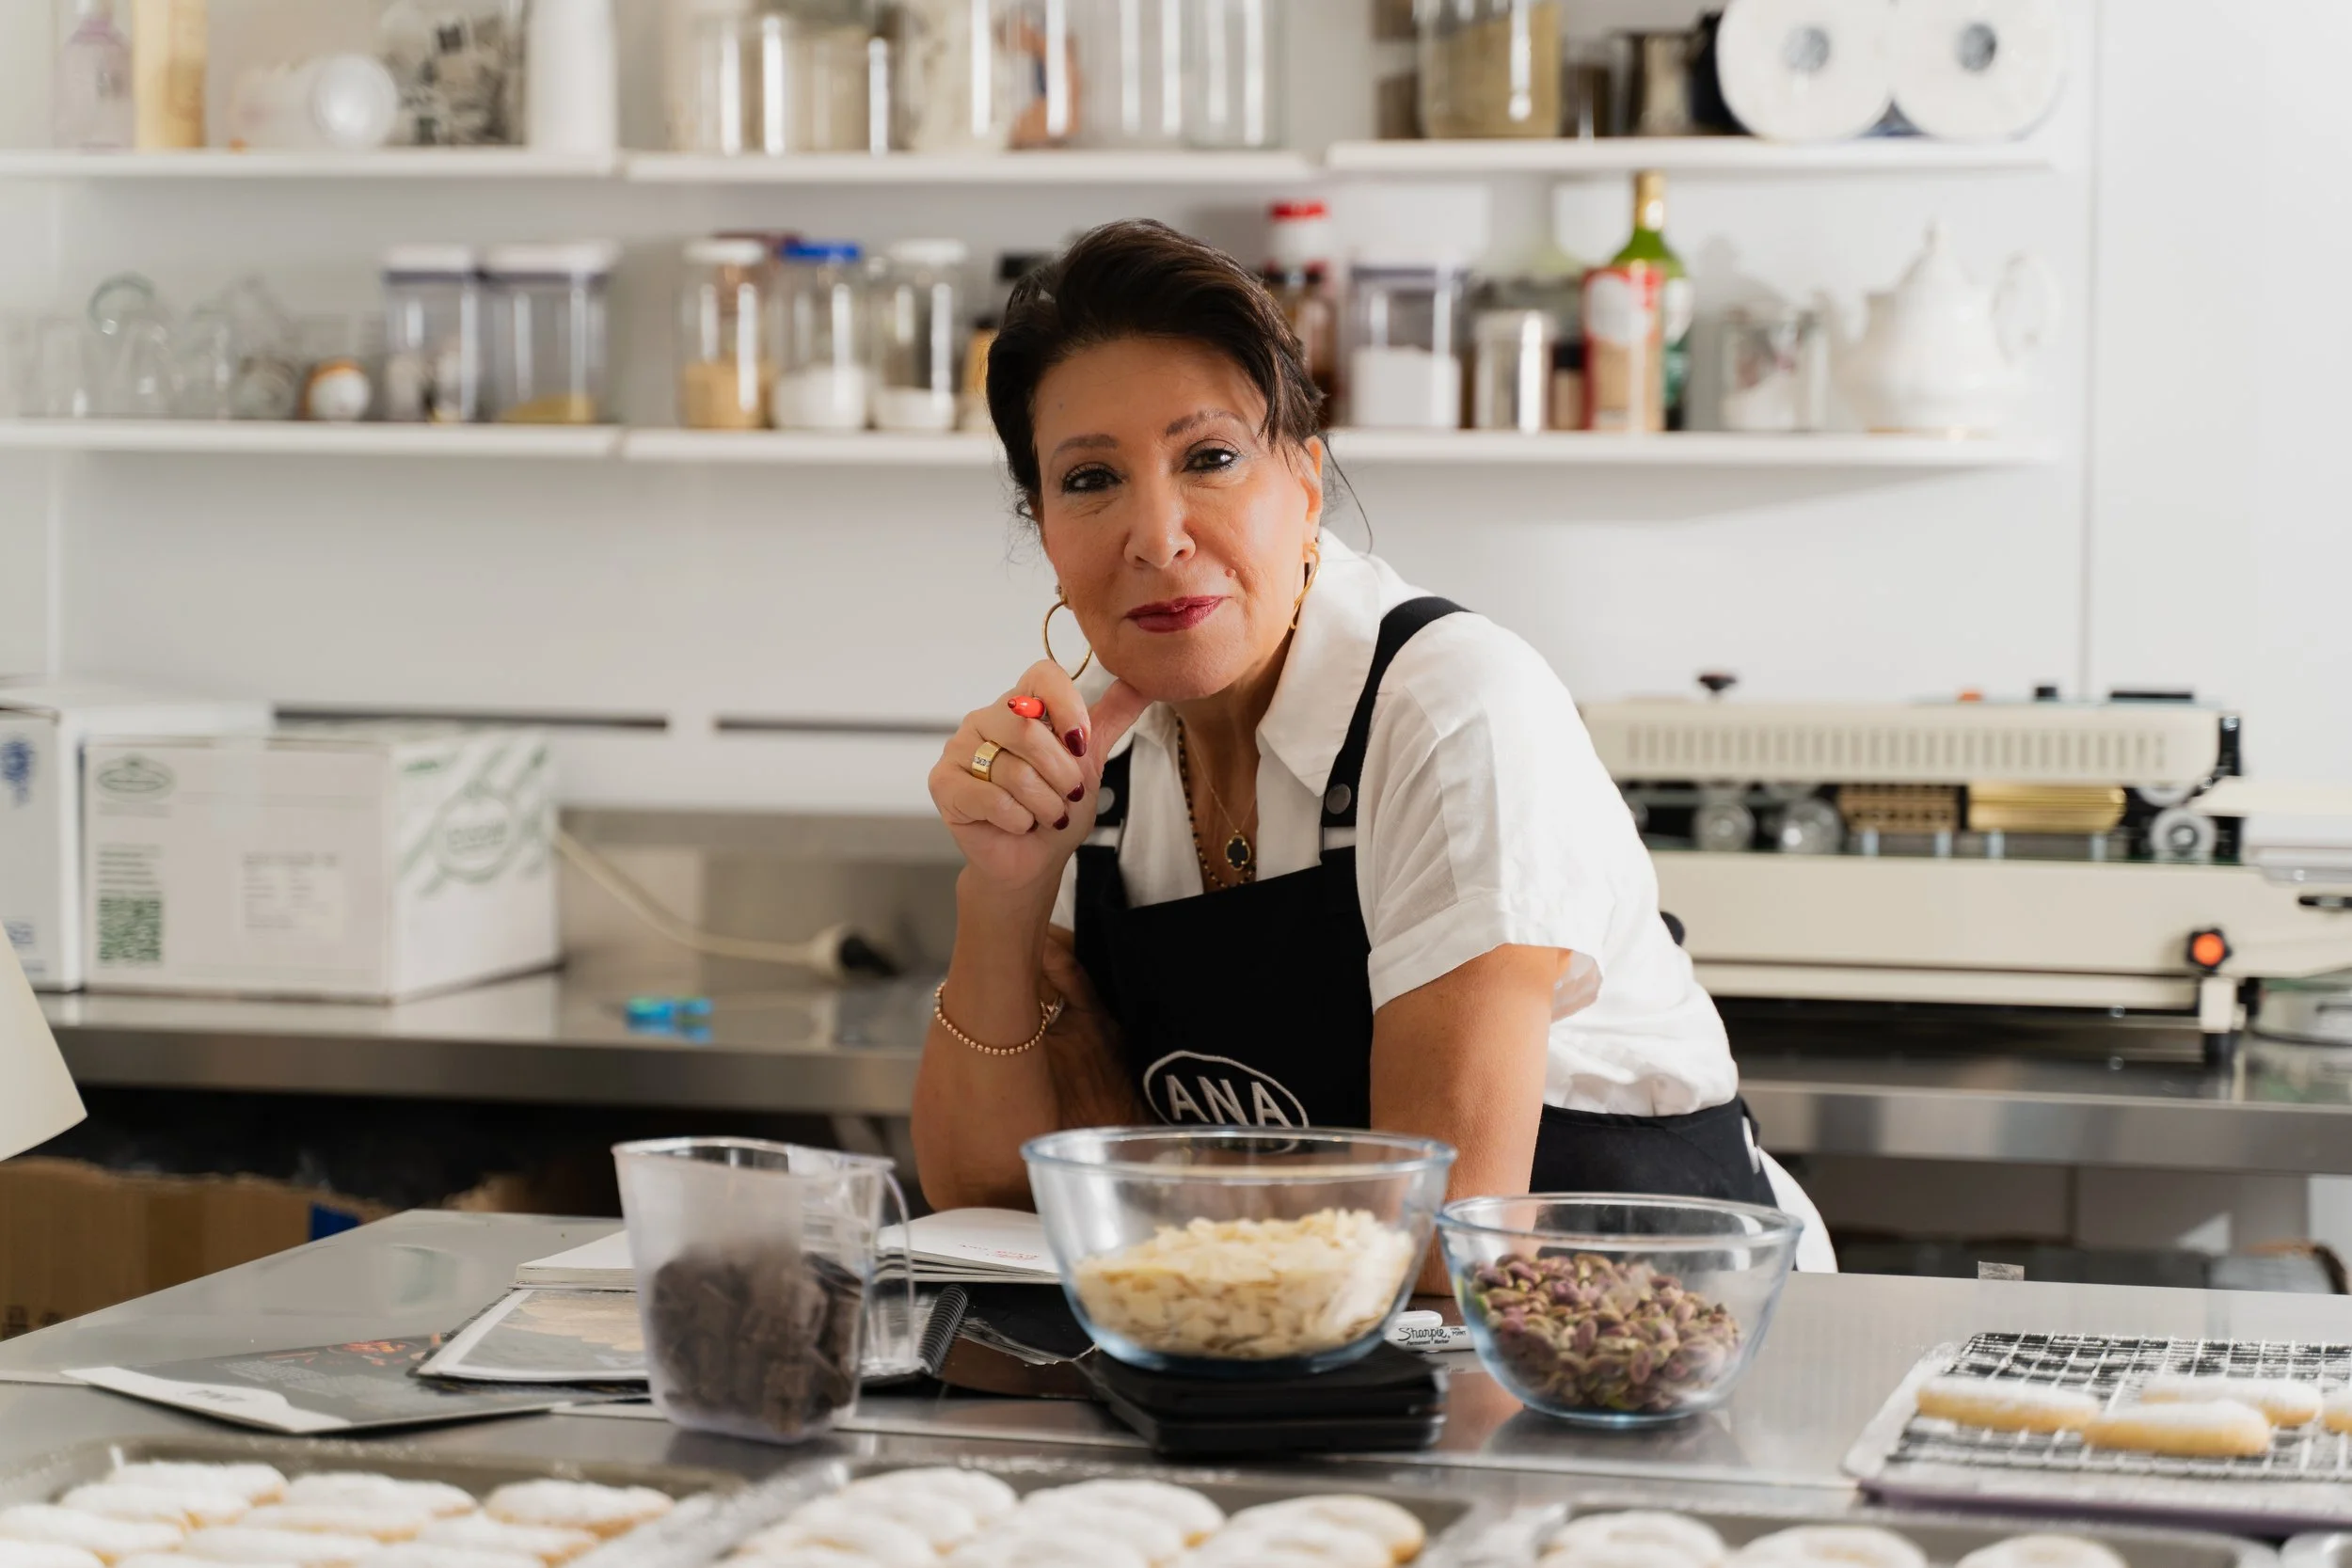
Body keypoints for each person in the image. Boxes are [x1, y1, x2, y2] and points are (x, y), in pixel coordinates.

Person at [914, 219, 1828, 1270]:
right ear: (1044, 529)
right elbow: (979, 1198)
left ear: (1304, 487)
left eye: (1208, 458)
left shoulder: (1449, 709)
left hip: (1640, 1330)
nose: (1156, 536)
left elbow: (1439, 1243)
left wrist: (1138, 1165)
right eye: (1088, 479)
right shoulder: (1091, 759)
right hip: (1315, 1348)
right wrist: (1003, 892)